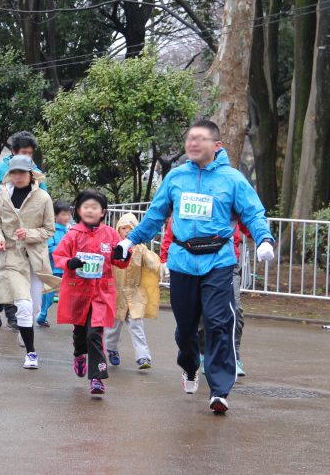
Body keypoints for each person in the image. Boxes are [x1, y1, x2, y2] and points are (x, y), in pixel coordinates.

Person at [115, 119, 274, 413]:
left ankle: (219, 389)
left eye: (200, 139)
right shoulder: (176, 178)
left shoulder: (232, 179)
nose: (193, 143)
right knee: (186, 329)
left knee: (218, 323)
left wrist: (264, 239)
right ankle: (189, 366)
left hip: (219, 261)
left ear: (216, 146)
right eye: (190, 139)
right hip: (183, 261)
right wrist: (130, 241)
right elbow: (155, 216)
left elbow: (253, 212)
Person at [53, 189, 130, 395]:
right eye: (85, 206)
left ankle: (97, 378)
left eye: (94, 207)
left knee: (94, 334)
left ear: (103, 212)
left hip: (101, 293)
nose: (90, 210)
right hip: (77, 293)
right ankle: (79, 355)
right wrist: (70, 262)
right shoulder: (72, 235)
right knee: (80, 334)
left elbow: (119, 261)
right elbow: (58, 256)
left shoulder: (110, 234)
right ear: (78, 210)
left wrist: (122, 254)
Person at [0, 155, 59, 369]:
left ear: (31, 174)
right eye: (14, 172)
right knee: (23, 303)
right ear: (9, 174)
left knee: (34, 307)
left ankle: (25, 329)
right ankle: (31, 353)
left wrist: (28, 233)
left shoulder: (43, 198)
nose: (18, 176)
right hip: (12, 257)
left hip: (36, 258)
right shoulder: (2, 196)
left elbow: (50, 230)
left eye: (22, 172)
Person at [160, 217, 251, 376]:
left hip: (226, 263)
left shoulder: (230, 195)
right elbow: (172, 229)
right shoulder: (189, 198)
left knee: (233, 310)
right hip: (194, 261)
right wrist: (164, 259)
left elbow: (249, 217)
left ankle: (233, 356)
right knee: (201, 313)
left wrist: (264, 237)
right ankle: (202, 353)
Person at [0, 131, 47, 329]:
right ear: (14, 152)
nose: (27, 157)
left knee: (14, 270)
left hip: (27, 231)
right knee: (11, 268)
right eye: (24, 153)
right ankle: (11, 314)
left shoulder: (36, 173)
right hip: (2, 229)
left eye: (30, 153)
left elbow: (44, 198)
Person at [106, 213, 160, 370]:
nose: (127, 232)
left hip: (135, 293)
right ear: (118, 230)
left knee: (137, 324)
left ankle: (143, 356)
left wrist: (163, 267)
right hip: (117, 294)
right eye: (124, 228)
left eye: (131, 228)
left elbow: (152, 263)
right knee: (113, 326)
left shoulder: (141, 249)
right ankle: (111, 348)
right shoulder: (114, 247)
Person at [37, 200, 71, 327]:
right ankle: (41, 315)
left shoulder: (70, 231)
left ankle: (76, 320)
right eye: (63, 214)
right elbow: (50, 249)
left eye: (68, 214)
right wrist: (65, 251)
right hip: (53, 269)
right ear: (55, 216)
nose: (66, 217)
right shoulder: (51, 231)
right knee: (49, 296)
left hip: (67, 269)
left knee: (72, 295)